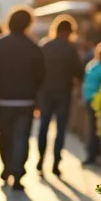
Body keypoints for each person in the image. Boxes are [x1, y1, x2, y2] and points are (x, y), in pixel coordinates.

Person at [0, 7, 44, 190]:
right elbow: (40, 76)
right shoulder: (33, 47)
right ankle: (17, 173)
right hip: (25, 100)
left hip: (3, 99)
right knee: (21, 137)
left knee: (5, 136)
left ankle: (6, 166)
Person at [35, 15, 84, 176]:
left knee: (44, 126)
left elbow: (36, 70)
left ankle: (41, 160)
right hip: (63, 92)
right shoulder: (70, 49)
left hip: (45, 92)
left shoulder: (44, 46)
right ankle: (56, 163)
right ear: (69, 32)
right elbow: (79, 72)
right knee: (60, 129)